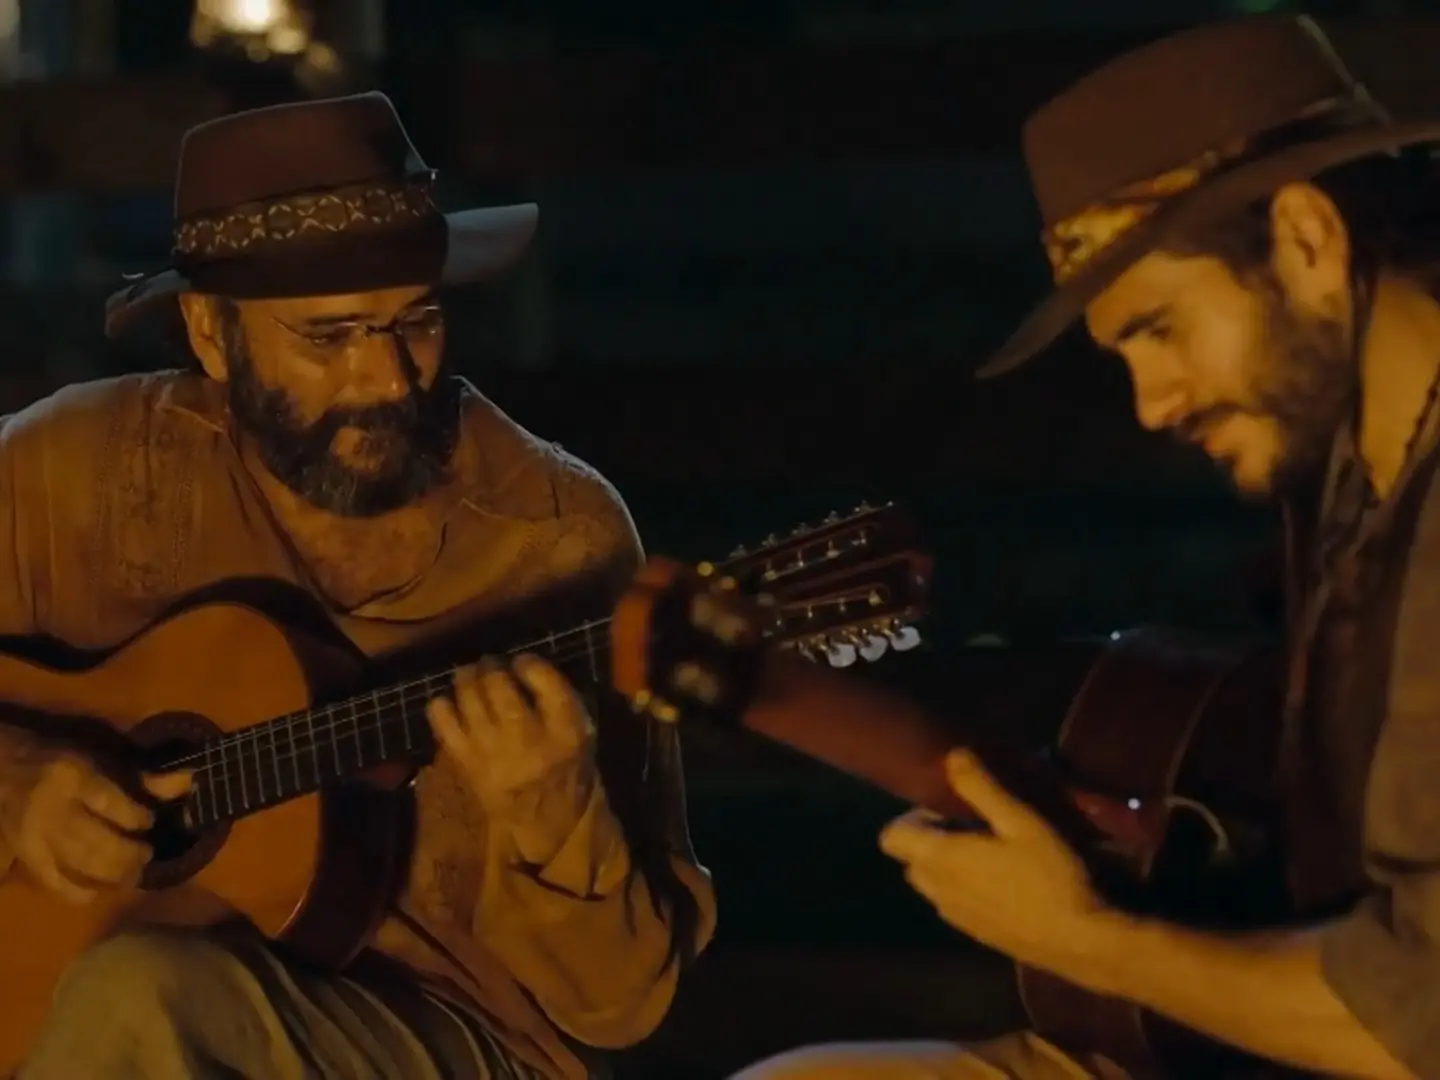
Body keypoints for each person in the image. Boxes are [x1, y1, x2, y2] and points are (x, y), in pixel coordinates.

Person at [735, 15, 1440, 1080]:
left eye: (1159, 327)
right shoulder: (1347, 458)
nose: (1151, 405)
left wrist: (1087, 940)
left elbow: (1417, 1018)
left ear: (1306, 238)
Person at [0, 92, 715, 1079]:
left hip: (452, 1042)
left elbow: (621, 1010)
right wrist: (17, 780)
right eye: (328, 339)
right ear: (212, 334)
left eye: (415, 322)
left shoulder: (559, 536)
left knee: (141, 993)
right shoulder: (65, 471)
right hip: (69, 1012)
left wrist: (558, 818)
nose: (387, 380)